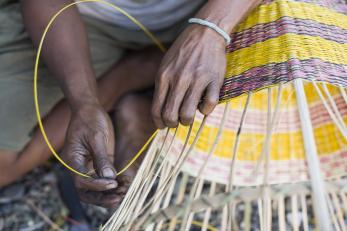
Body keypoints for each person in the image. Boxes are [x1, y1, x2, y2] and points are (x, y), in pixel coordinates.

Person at [0, 0, 261, 208]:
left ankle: (146, 77)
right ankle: (133, 74)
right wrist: (83, 102)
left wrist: (209, 31)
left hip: (213, 11)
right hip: (81, 18)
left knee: (278, 60)